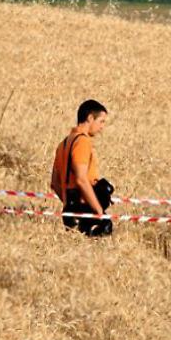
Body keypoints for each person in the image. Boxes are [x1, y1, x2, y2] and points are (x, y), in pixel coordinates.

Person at [50, 99, 114, 237]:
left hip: (70, 211)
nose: (102, 127)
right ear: (90, 118)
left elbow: (55, 183)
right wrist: (99, 211)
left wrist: (69, 205)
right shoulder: (83, 142)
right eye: (101, 121)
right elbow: (81, 179)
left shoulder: (64, 144)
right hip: (86, 209)